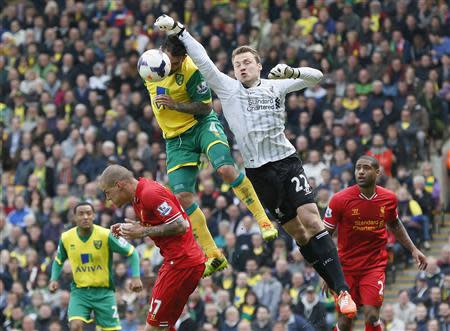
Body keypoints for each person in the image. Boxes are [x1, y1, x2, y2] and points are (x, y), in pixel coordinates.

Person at [154, 14, 356, 317]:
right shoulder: (228, 89)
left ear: (258, 65)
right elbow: (203, 58)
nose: (242, 67)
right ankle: (332, 281)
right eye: (238, 64)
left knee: (312, 220)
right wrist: (180, 32)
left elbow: (317, 77)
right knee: (299, 235)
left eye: (247, 62)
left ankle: (343, 291)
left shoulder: (276, 86)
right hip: (259, 174)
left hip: (287, 163)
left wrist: (293, 70)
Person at [142, 37, 278, 277]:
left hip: (201, 125)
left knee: (226, 170)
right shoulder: (151, 65)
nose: (170, 67)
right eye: (168, 60)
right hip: (175, 139)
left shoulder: (191, 71)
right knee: (182, 197)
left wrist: (175, 105)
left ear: (183, 58)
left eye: (175, 63)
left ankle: (263, 220)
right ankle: (214, 256)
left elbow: (206, 107)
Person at [323, 155, 427, 331]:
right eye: (358, 168)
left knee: (372, 315)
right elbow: (325, 236)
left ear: (378, 172)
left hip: (373, 266)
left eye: (366, 168)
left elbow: (394, 223)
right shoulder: (339, 199)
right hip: (345, 268)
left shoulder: (389, 199)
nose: (361, 172)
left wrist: (413, 249)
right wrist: (326, 271)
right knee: (346, 320)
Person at [98, 164, 207, 331]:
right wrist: (135, 227)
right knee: (164, 326)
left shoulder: (149, 193)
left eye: (107, 192)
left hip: (181, 263)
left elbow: (181, 225)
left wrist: (142, 231)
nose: (108, 199)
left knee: (153, 327)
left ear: (119, 185)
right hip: (179, 262)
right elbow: (159, 222)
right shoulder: (138, 196)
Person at [49, 202, 142, 331]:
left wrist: (136, 277)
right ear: (74, 217)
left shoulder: (106, 235)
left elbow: (132, 252)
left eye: (89, 213)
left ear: (93, 216)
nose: (85, 217)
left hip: (104, 292)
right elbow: (58, 261)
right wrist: (53, 279)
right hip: (80, 292)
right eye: (81, 214)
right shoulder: (66, 237)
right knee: (75, 325)